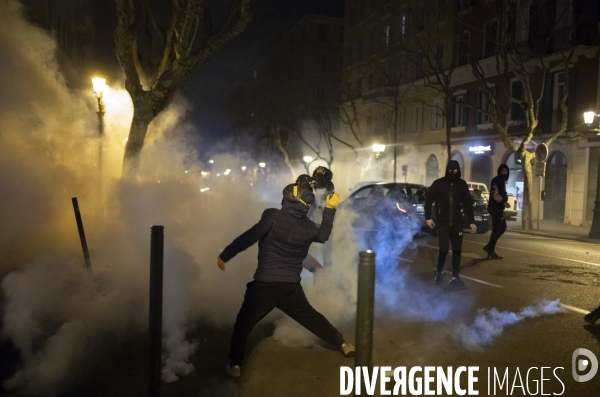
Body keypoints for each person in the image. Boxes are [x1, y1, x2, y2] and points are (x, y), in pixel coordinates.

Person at [217, 179, 354, 378]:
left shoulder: (272, 215)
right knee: (312, 318)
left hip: (265, 285)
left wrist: (226, 255)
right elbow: (323, 235)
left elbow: (250, 237)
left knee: (243, 324)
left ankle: (235, 365)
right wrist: (330, 209)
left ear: (289, 200)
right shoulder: (309, 228)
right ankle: (343, 343)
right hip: (290, 287)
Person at [425, 160, 477, 289]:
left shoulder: (462, 185)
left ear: (459, 170)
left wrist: (471, 221)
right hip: (442, 223)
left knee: (457, 251)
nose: (453, 173)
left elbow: (467, 204)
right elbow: (429, 200)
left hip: (457, 223)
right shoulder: (438, 184)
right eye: (450, 170)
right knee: (443, 250)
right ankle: (439, 272)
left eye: (455, 170)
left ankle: (455, 277)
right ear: (446, 170)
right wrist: (428, 217)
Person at [484, 164, 511, 259]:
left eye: (506, 171)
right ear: (499, 171)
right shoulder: (497, 180)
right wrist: (504, 202)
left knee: (502, 227)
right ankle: (490, 251)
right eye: (502, 170)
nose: (504, 172)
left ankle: (489, 247)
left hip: (498, 208)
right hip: (495, 208)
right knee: (496, 230)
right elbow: (495, 194)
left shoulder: (502, 181)